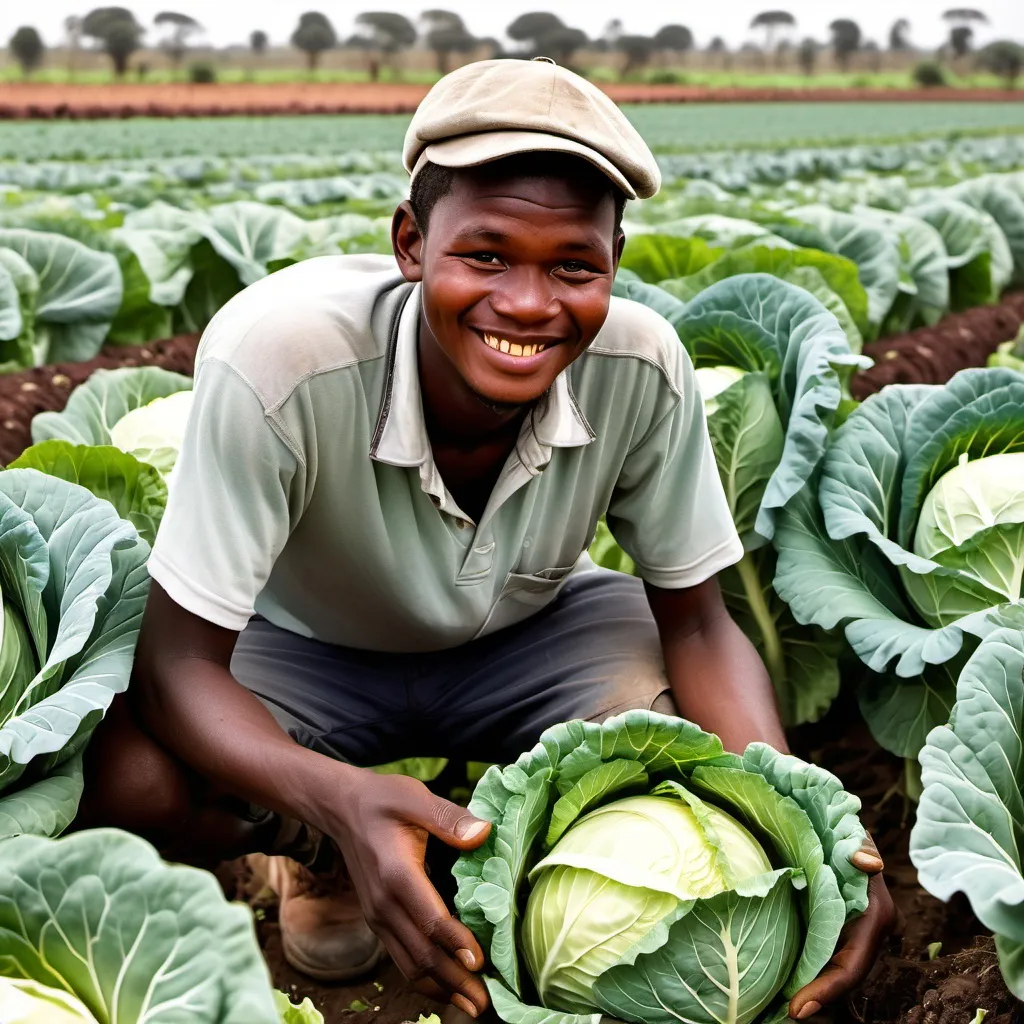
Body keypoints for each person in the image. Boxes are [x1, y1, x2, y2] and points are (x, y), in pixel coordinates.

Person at [79, 58, 894, 1021]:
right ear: (412, 244)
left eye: (574, 267)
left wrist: (803, 820)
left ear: (615, 266)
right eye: (487, 255)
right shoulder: (280, 362)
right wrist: (337, 803)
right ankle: (322, 856)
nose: (528, 303)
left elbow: (705, 627)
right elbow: (179, 665)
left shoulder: (642, 368)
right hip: (305, 652)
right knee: (132, 773)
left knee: (694, 736)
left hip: (533, 640)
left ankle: (529, 867)